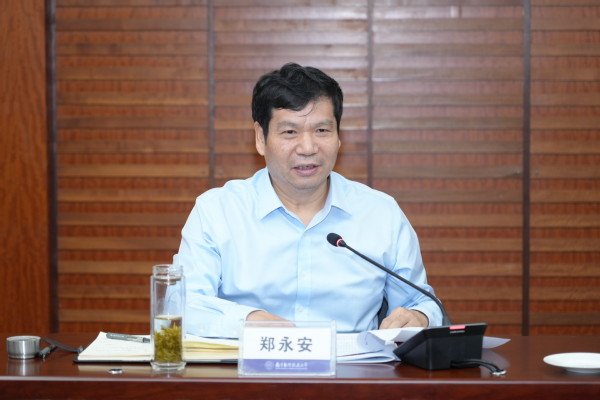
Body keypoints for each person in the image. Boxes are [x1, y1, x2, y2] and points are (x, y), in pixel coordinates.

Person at [175, 63, 443, 338]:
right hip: (247, 363)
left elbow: (420, 302)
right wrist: (247, 320)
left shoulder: (381, 214)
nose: (307, 148)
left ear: (339, 137)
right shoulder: (217, 211)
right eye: (290, 132)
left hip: (353, 364)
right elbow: (182, 304)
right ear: (260, 138)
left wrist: (420, 316)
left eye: (322, 131)